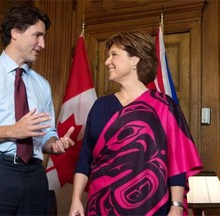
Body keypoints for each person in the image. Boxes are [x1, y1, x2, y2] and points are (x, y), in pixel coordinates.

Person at [69, 32, 202, 216]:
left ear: (135, 59)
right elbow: (85, 157)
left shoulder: (164, 107)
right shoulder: (100, 106)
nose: (107, 61)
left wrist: (177, 205)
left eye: (114, 54)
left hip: (152, 206)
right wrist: (76, 199)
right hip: (101, 206)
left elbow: (177, 159)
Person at [0, 4, 74, 215]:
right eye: (37, 35)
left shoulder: (42, 85)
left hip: (34, 175)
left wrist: (54, 144)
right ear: (15, 33)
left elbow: (46, 134)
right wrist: (13, 131)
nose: (43, 44)